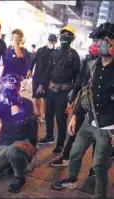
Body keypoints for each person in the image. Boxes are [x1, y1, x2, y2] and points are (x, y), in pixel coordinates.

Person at [52, 22, 114, 199]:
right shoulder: (93, 65)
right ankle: (71, 179)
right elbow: (87, 93)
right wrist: (75, 117)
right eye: (100, 39)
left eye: (108, 39)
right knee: (75, 152)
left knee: (99, 165)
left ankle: (100, 195)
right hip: (88, 121)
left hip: (107, 128)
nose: (104, 42)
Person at [0, 73, 38, 193]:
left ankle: (20, 177)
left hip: (24, 143)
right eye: (6, 88)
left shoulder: (27, 103)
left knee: (14, 150)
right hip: (5, 142)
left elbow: (18, 122)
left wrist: (13, 101)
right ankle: (13, 163)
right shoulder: (2, 103)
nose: (8, 91)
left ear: (18, 88)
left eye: (11, 88)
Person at [36, 26, 81, 154]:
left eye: (68, 35)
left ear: (72, 38)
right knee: (49, 115)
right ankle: (49, 136)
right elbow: (48, 70)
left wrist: (73, 92)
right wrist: (41, 85)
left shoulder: (74, 55)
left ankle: (60, 144)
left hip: (64, 92)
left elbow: (77, 76)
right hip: (51, 90)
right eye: (64, 34)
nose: (65, 37)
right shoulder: (54, 53)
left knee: (61, 119)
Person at [27, 34, 57, 123]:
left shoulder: (55, 53)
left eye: (53, 41)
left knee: (45, 97)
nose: (51, 42)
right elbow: (34, 60)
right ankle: (37, 114)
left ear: (55, 42)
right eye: (50, 41)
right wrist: (30, 70)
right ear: (48, 41)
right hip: (37, 75)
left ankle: (43, 115)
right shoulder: (41, 50)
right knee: (36, 96)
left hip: (48, 78)